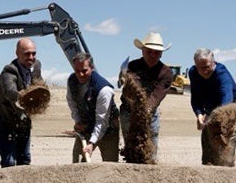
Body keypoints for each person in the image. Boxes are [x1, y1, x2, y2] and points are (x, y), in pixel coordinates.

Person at [120, 31, 173, 159]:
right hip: (128, 112)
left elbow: (156, 96)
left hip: (150, 114)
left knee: (150, 149)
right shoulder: (132, 66)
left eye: (156, 52)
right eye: (149, 51)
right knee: (132, 147)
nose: (153, 55)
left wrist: (146, 111)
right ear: (143, 51)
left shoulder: (166, 73)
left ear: (161, 54)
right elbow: (130, 90)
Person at [0, 38, 41, 168]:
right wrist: (26, 97)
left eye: (33, 53)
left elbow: (39, 83)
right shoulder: (9, 71)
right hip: (2, 122)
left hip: (23, 122)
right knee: (9, 162)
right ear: (17, 53)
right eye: (27, 54)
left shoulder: (36, 66)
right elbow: (10, 91)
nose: (31, 57)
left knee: (24, 159)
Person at [189, 48, 236, 164]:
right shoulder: (193, 72)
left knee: (225, 141)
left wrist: (216, 118)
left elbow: (226, 98)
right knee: (208, 141)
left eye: (207, 67)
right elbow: (195, 97)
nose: (204, 71)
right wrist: (199, 114)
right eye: (201, 68)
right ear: (195, 65)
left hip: (231, 107)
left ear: (213, 63)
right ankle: (208, 165)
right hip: (211, 107)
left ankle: (226, 167)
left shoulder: (221, 73)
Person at [66, 52, 120, 162]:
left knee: (110, 165)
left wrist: (91, 143)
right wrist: (78, 121)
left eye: (84, 71)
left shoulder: (104, 90)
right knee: (78, 160)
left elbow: (102, 121)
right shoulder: (72, 81)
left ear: (92, 67)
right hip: (86, 125)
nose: (80, 74)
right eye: (77, 71)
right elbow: (72, 102)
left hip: (108, 129)